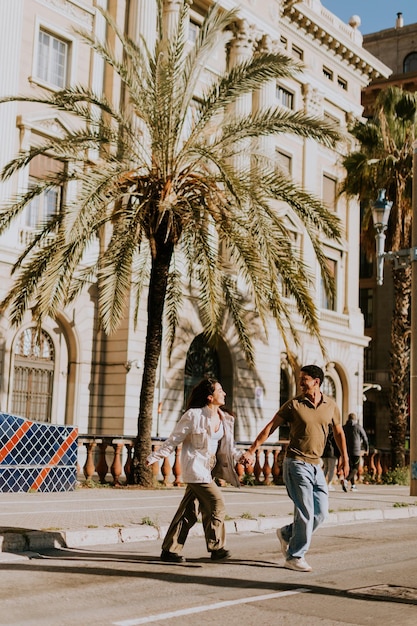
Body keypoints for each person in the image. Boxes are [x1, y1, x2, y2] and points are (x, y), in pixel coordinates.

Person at [240, 364, 349, 573]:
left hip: (317, 466)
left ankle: (288, 533)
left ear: (316, 382)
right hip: (296, 463)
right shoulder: (294, 405)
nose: (300, 383)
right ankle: (295, 556)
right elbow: (271, 427)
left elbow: (338, 433)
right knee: (306, 512)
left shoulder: (330, 406)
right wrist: (252, 450)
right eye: (300, 379)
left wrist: (345, 458)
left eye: (304, 379)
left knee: (321, 514)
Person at [146, 378, 241, 563]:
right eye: (220, 390)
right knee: (217, 503)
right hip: (196, 469)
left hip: (210, 469)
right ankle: (217, 547)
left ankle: (170, 550)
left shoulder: (225, 418)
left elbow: (229, 447)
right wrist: (154, 457)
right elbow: (174, 440)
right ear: (209, 397)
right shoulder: (194, 415)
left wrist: (241, 457)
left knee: (189, 511)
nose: (224, 393)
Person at [342, 412, 369, 491]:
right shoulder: (358, 427)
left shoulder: (345, 427)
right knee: (355, 468)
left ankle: (353, 485)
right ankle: (346, 480)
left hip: (347, 450)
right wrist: (366, 448)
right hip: (356, 450)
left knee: (350, 467)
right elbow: (365, 438)